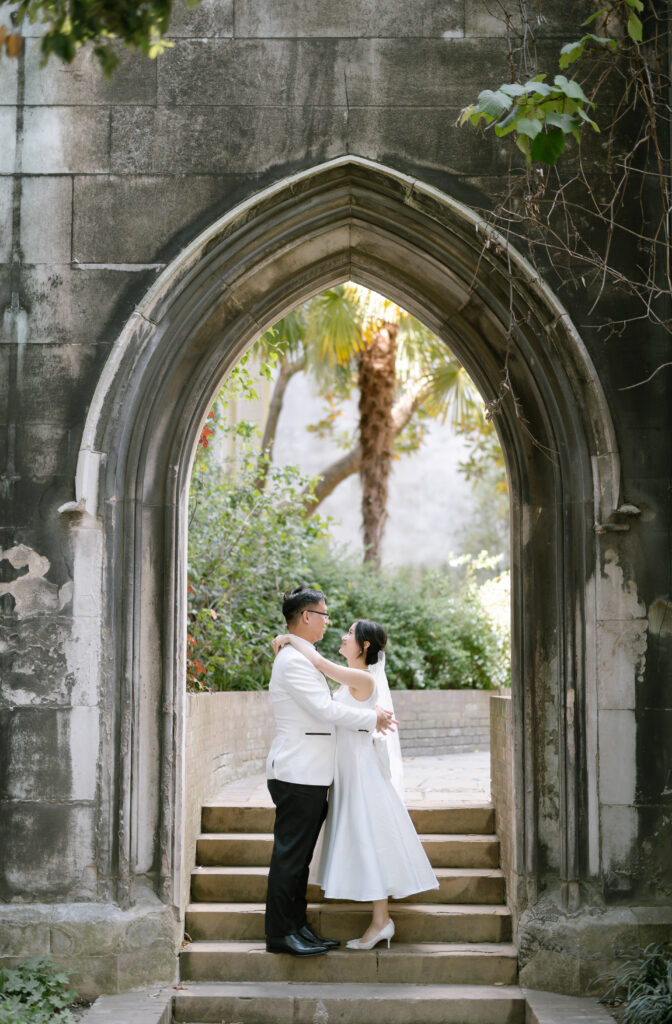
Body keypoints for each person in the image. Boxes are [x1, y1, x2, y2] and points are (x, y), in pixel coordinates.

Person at [273, 618, 438, 950]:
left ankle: (380, 921)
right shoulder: (352, 684)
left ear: (364, 646)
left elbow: (318, 663)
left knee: (369, 838)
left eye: (350, 634)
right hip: (347, 770)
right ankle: (381, 920)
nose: (344, 636)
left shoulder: (360, 678)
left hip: (361, 773)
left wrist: (288, 638)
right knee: (365, 841)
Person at [264, 587, 397, 958]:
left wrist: (289, 638)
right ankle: (280, 933)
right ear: (307, 616)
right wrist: (372, 717)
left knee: (299, 859)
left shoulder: (302, 656)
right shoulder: (292, 662)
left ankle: (297, 926)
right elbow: (326, 710)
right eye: (324, 616)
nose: (328, 623)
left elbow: (324, 673)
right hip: (297, 772)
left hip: (312, 774)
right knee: (289, 858)